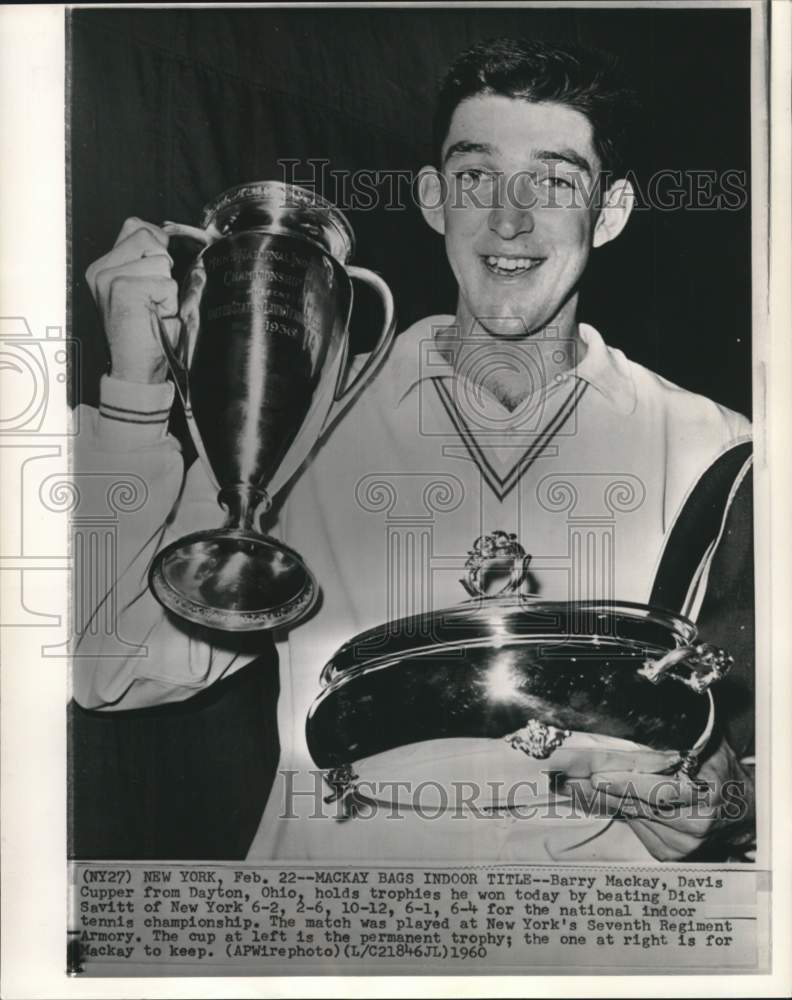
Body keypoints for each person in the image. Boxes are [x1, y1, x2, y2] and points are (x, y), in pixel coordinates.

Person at [72, 38, 754, 862]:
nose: (508, 218)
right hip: (335, 950)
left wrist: (729, 804)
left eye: (553, 180)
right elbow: (110, 671)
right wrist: (136, 397)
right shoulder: (307, 418)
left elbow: (749, 765)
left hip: (584, 961)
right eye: (476, 177)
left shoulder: (719, 451)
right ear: (435, 198)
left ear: (608, 212)